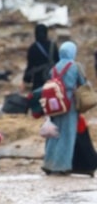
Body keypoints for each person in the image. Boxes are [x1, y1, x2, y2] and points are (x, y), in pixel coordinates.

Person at [41, 41, 86, 175]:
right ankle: (62, 166)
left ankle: (48, 164)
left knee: (54, 134)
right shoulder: (75, 67)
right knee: (67, 135)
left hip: (55, 104)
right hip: (69, 104)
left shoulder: (54, 68)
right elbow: (83, 83)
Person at [23, 24, 59, 92]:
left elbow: (30, 65)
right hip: (51, 79)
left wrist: (26, 79)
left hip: (38, 81)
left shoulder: (33, 48)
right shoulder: (53, 46)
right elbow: (57, 62)